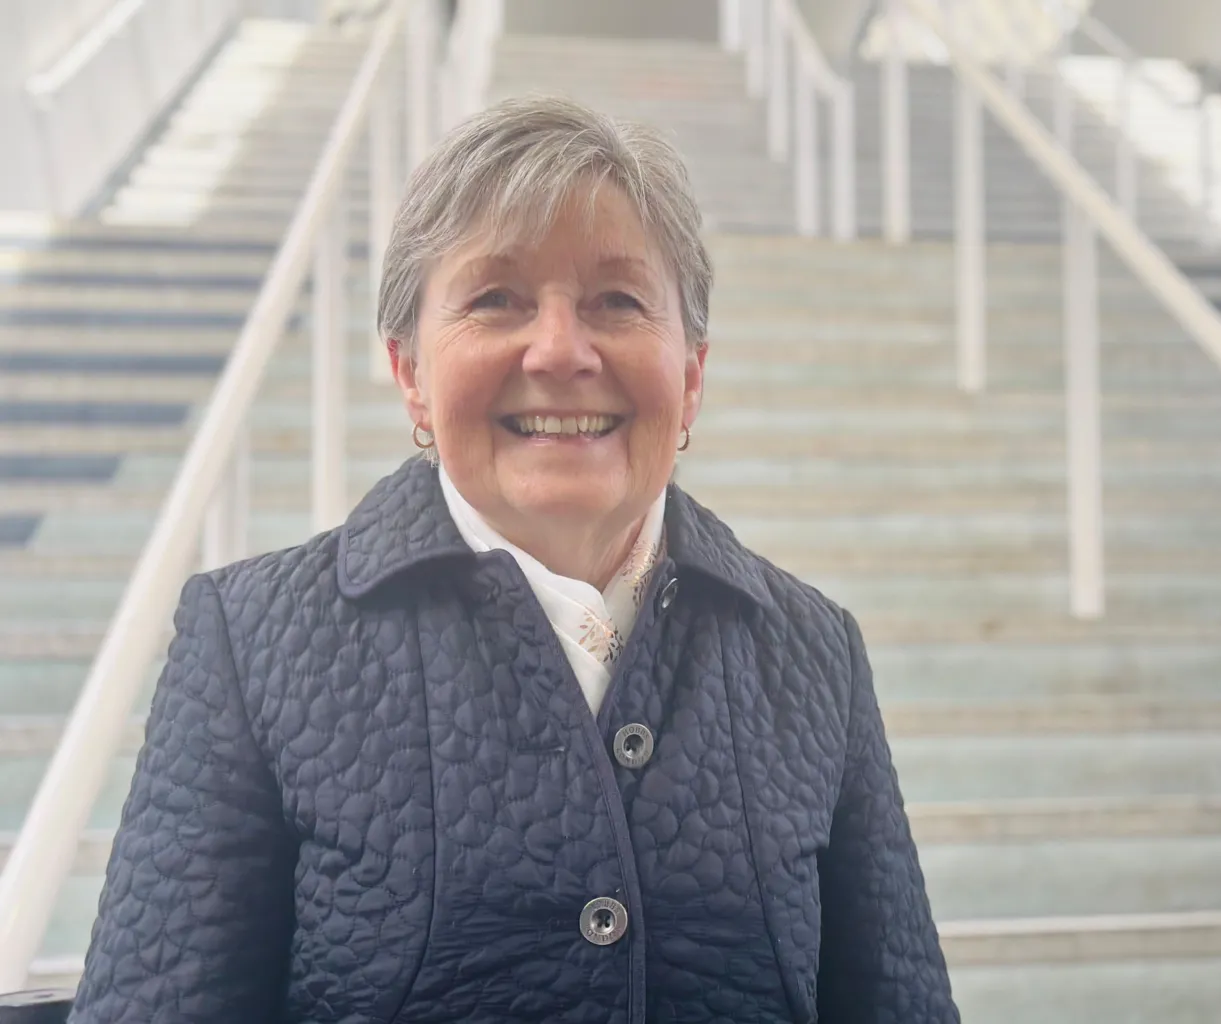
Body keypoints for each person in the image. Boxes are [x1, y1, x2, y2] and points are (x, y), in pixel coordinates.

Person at [70, 96, 958, 1023]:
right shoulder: (252, 645)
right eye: (496, 299)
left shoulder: (814, 653)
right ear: (409, 369)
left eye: (618, 301)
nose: (562, 350)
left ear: (691, 375)